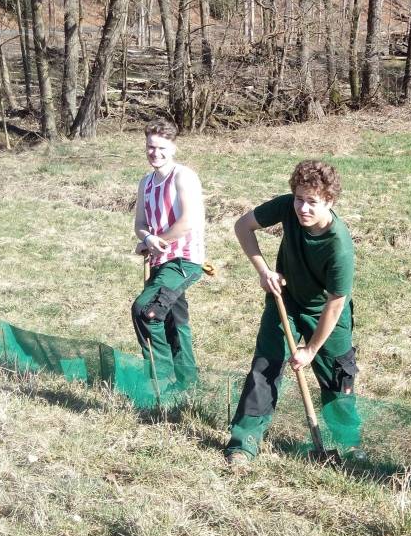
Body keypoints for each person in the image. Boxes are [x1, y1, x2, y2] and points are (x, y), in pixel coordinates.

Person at [226, 160, 358, 467]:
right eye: (300, 199)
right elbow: (242, 226)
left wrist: (311, 350)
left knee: (338, 376)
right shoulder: (287, 207)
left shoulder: (339, 245)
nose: (303, 208)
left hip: (324, 311)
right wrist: (264, 270)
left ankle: (348, 446)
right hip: (285, 300)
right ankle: (244, 443)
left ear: (329, 201)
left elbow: (336, 302)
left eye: (313, 202)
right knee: (265, 366)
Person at [131, 119, 206, 395]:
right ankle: (188, 384)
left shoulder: (183, 176)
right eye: (150, 147)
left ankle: (161, 381)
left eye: (161, 147)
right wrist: (148, 239)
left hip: (184, 260)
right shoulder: (146, 183)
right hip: (159, 262)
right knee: (175, 320)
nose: (155, 153)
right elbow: (140, 223)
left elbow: (189, 220)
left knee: (146, 311)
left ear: (173, 147)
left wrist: (158, 241)